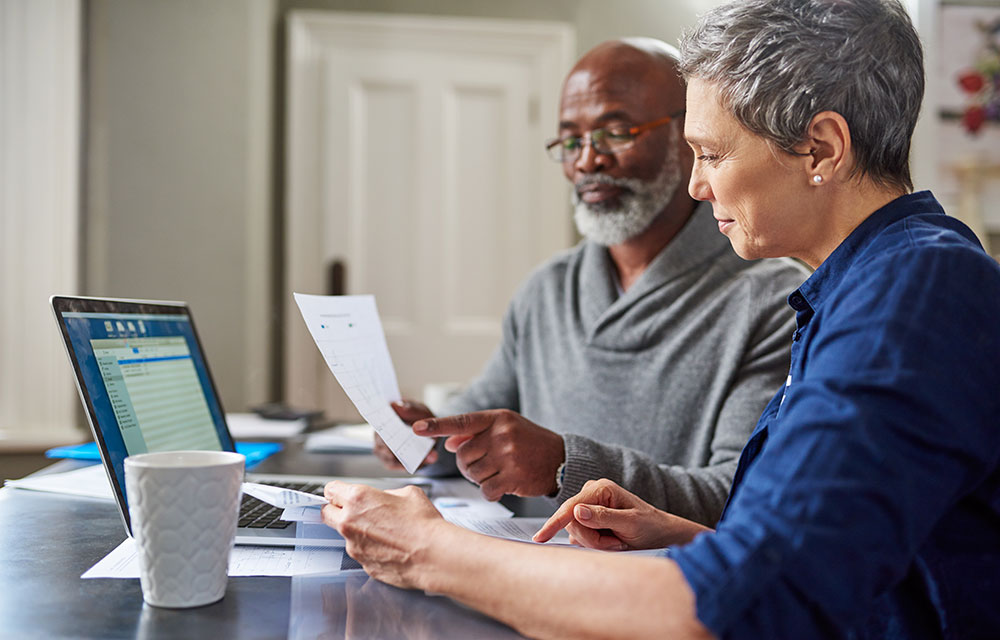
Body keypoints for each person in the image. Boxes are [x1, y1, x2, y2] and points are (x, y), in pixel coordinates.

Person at [320, 1, 1000, 637]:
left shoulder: (912, 291)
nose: (698, 183)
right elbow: (820, 567)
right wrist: (680, 535)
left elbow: (740, 603)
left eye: (711, 152)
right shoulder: (860, 287)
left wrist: (431, 552)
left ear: (820, 148)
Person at [375, 38, 809, 526]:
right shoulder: (547, 291)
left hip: (653, 589)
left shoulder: (774, 301)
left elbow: (739, 493)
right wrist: (427, 434)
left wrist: (565, 466)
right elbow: (478, 422)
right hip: (520, 568)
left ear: (688, 137)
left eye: (615, 131)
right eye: (570, 140)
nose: (586, 161)